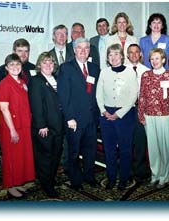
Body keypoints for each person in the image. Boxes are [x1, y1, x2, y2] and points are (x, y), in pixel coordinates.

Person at [57, 38, 100, 191]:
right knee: (73, 152)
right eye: (80, 48)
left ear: (90, 50)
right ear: (74, 50)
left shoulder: (95, 68)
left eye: (86, 48)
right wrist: (69, 118)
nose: (83, 51)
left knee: (90, 150)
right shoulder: (66, 68)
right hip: (74, 120)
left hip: (92, 119)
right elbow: (63, 95)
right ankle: (76, 180)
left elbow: (97, 94)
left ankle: (89, 176)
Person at [96, 43, 138, 190]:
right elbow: (98, 93)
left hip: (125, 115)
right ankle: (111, 177)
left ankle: (124, 179)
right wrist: (103, 110)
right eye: (110, 55)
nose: (113, 57)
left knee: (125, 149)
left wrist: (119, 114)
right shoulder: (104, 72)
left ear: (121, 56)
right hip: (106, 115)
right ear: (108, 58)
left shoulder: (130, 72)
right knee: (109, 149)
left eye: (116, 54)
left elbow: (133, 96)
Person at [0, 53, 35, 198]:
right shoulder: (4, 84)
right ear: (6, 67)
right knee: (11, 158)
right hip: (12, 127)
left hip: (24, 125)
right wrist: (12, 130)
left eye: (17, 64)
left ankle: (18, 183)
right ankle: (10, 186)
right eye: (11, 65)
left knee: (21, 157)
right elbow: (4, 109)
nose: (15, 67)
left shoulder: (22, 82)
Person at [28, 52, 64, 198]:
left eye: (50, 62)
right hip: (45, 127)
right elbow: (36, 105)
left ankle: (50, 178)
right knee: (45, 157)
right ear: (39, 65)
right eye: (45, 62)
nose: (48, 65)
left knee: (56, 155)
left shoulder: (57, 79)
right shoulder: (36, 81)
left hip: (59, 125)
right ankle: (46, 185)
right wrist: (41, 125)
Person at [138, 48, 169, 188]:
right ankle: (155, 175)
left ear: (163, 60)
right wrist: (141, 115)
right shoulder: (145, 75)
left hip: (166, 116)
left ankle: (165, 177)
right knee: (152, 148)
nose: (154, 61)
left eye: (157, 58)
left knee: (165, 147)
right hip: (149, 116)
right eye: (152, 58)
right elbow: (141, 96)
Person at [126, 44, 151, 183]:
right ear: (127, 55)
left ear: (141, 54)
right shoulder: (122, 70)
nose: (134, 55)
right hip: (126, 110)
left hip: (142, 109)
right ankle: (128, 169)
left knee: (141, 140)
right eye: (131, 52)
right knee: (127, 141)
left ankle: (140, 170)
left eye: (136, 52)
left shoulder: (147, 71)